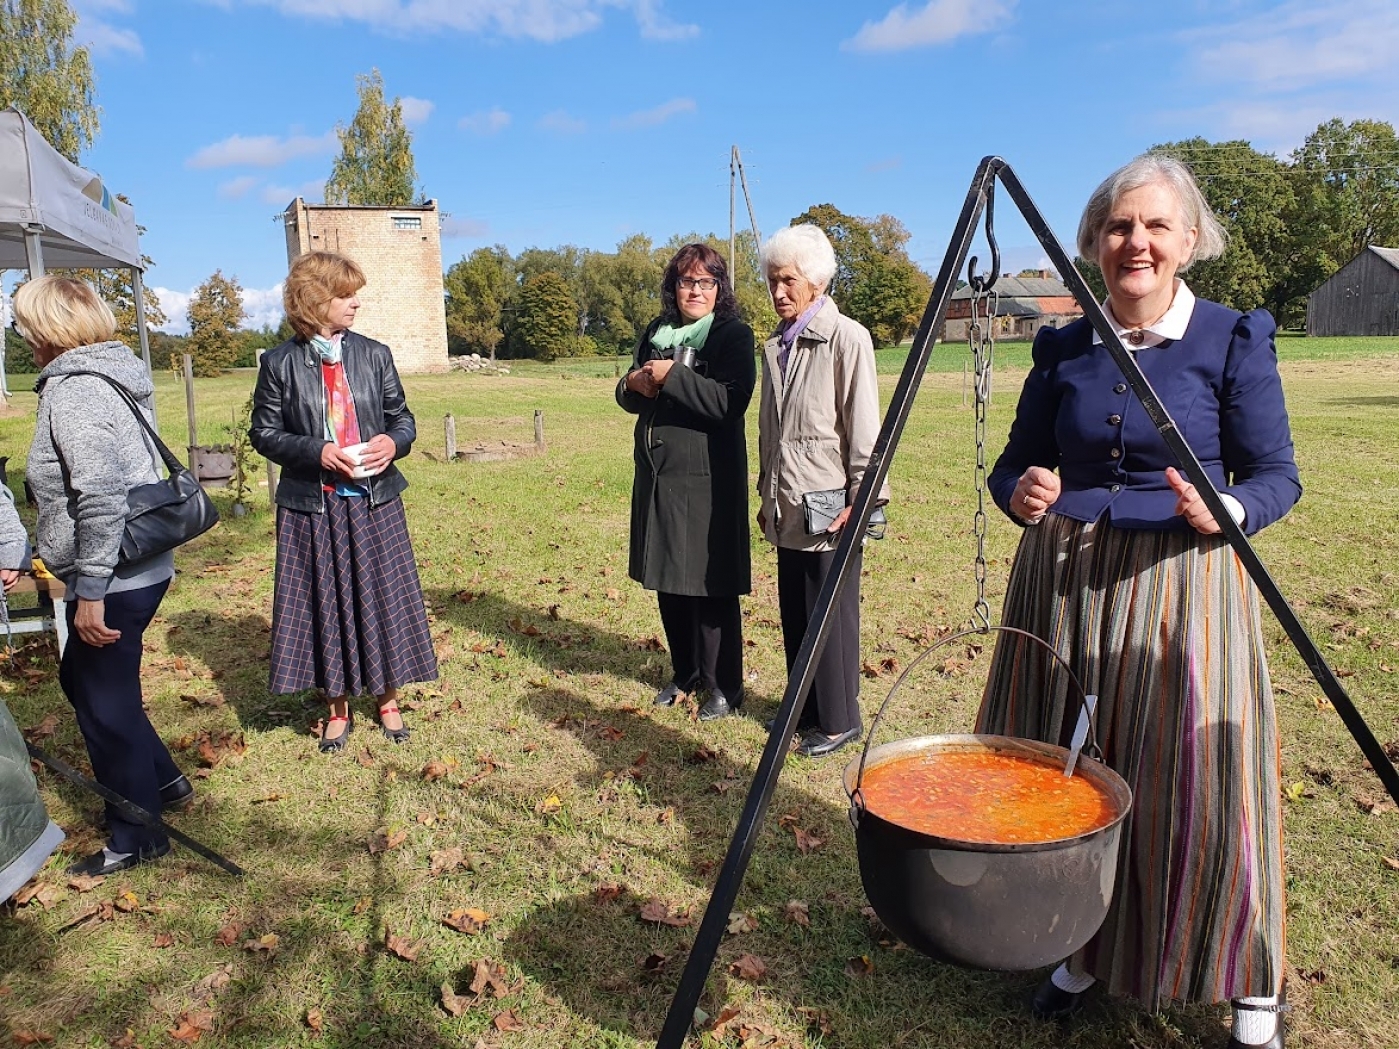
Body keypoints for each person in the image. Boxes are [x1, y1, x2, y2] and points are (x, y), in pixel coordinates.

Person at [978, 154, 1300, 1049]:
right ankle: (1081, 943)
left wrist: (1227, 506)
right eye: (1120, 226)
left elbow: (1278, 476)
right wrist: (1022, 491)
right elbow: (1012, 463)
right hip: (1067, 581)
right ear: (1092, 241)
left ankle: (1246, 974)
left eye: (1157, 226)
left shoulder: (1231, 338)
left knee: (1201, 782)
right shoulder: (1061, 347)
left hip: (1183, 590)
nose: (1137, 243)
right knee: (1074, 771)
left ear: (1189, 240)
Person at [17, 275, 193, 877]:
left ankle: (136, 836)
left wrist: (88, 590)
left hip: (113, 573)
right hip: (139, 564)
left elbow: (99, 494)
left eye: (22, 322)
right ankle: (164, 781)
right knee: (88, 684)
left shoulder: (74, 391)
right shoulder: (115, 370)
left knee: (103, 702)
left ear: (45, 329)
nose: (19, 334)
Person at [251, 251, 437, 753]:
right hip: (314, 504)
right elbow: (264, 434)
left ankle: (388, 698)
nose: (356, 303)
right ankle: (336, 706)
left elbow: (404, 419)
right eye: (345, 294)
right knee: (324, 604)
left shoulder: (375, 354)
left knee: (382, 598)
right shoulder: (279, 363)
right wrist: (318, 451)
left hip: (376, 500)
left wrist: (393, 443)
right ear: (315, 301)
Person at [756, 225, 889, 758]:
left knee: (830, 610)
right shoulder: (776, 345)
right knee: (795, 605)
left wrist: (865, 500)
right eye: (771, 282)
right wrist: (767, 495)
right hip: (787, 498)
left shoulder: (847, 338)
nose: (778, 292)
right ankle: (803, 708)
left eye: (787, 280)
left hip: (832, 500)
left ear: (814, 281)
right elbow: (771, 431)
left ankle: (839, 719)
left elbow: (863, 428)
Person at [617, 244, 756, 721]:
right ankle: (686, 671)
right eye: (685, 282)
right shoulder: (657, 332)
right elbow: (631, 391)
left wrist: (673, 376)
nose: (694, 291)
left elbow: (729, 403)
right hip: (657, 475)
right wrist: (632, 385)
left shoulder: (732, 336)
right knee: (668, 580)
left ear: (719, 289)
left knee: (709, 584)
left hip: (705, 480)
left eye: (705, 282)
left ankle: (725, 687)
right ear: (672, 287)